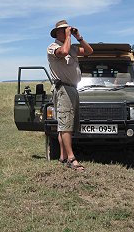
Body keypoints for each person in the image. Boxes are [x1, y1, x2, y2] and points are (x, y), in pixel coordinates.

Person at [47, 19, 93, 171]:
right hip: (63, 89)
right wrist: (68, 37)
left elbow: (89, 52)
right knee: (66, 124)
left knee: (65, 125)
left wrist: (79, 37)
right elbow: (63, 52)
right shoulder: (53, 47)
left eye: (68, 29)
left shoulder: (72, 47)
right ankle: (71, 159)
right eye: (64, 30)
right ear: (57, 33)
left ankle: (63, 157)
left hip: (72, 88)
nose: (67, 32)